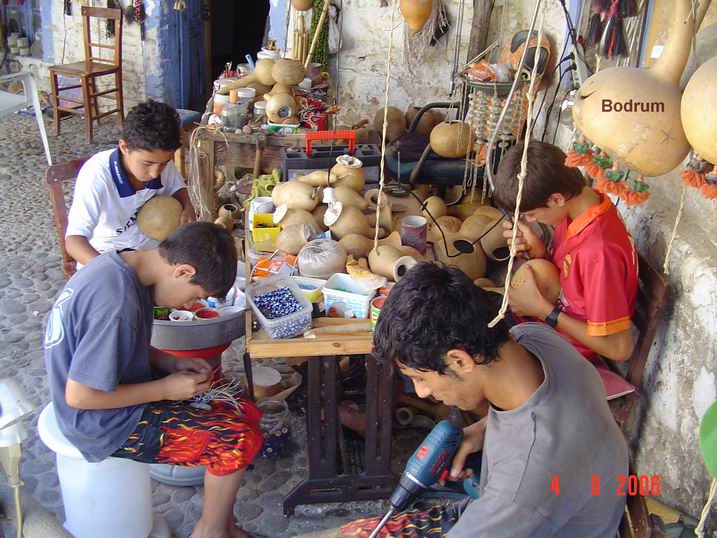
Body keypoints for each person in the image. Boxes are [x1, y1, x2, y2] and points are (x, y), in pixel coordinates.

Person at [314, 263, 628, 537]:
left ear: (460, 361)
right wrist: (482, 428)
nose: (421, 392)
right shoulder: (535, 341)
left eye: (421, 378)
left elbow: (527, 476)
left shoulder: (523, 483)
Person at [45, 222, 262, 538]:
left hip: (112, 392)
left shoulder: (122, 265)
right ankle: (209, 533)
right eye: (195, 295)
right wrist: (164, 389)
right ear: (183, 272)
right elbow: (80, 396)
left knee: (245, 412)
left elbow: (120, 342)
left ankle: (226, 528)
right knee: (234, 441)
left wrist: (170, 362)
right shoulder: (116, 303)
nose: (189, 306)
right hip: (99, 421)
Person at [493, 140, 638, 362]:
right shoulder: (585, 204)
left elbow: (619, 349)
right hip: (544, 322)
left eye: (531, 214)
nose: (530, 220)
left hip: (562, 350)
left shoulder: (598, 253)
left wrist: (545, 311)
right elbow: (574, 280)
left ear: (557, 199)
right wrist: (540, 253)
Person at [66, 100, 196, 266]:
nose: (156, 172)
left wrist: (187, 206)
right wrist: (110, 271)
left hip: (152, 250)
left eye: (164, 163)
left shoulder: (161, 162)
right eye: (147, 164)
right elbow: (74, 241)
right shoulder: (96, 175)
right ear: (124, 147)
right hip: (107, 256)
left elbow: (178, 188)